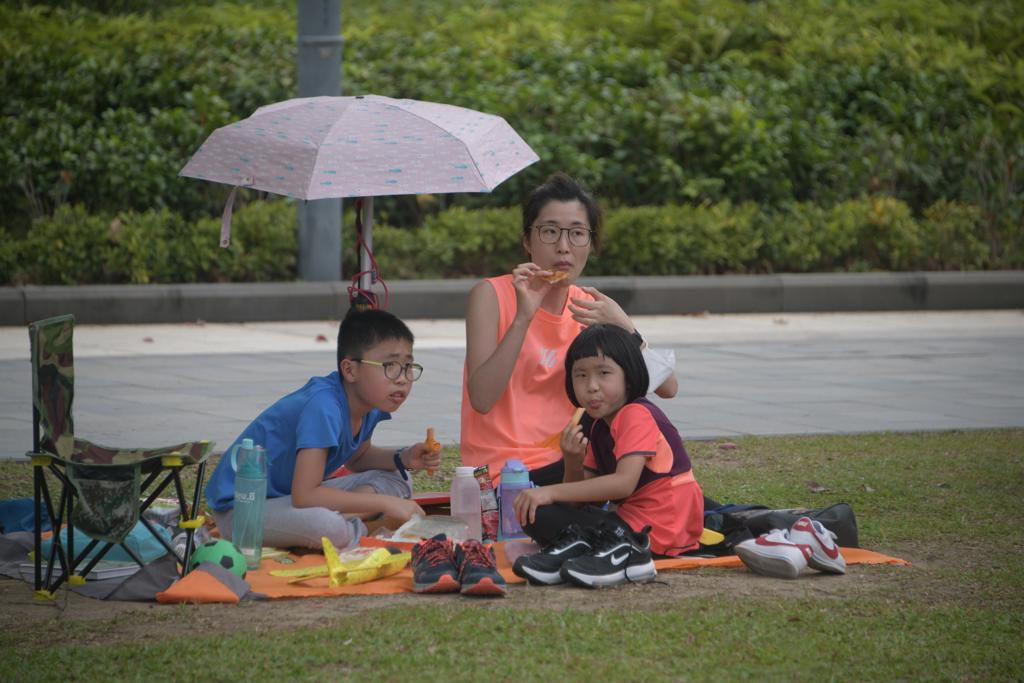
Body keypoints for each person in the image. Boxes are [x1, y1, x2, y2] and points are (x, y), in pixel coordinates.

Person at [461, 172, 678, 485]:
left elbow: (668, 389)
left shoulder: (589, 306)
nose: (564, 247)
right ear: (527, 240)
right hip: (505, 471)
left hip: (576, 461)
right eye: (550, 232)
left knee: (660, 470)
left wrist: (626, 327)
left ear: (590, 243)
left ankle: (739, 518)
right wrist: (524, 317)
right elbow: (481, 399)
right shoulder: (491, 295)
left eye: (577, 234)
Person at [204, 308, 441, 551]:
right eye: (390, 365)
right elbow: (305, 496)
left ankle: (344, 521)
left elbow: (357, 458)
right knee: (328, 527)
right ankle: (353, 528)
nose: (402, 378)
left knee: (400, 476)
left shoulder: (368, 403)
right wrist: (386, 503)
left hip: (290, 500)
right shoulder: (323, 406)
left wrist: (404, 457)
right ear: (350, 370)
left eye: (408, 366)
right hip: (243, 509)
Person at [511, 324, 704, 586]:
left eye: (603, 373)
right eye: (580, 375)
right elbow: (577, 500)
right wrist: (572, 460)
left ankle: (620, 552)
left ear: (629, 376)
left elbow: (623, 483)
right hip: (626, 522)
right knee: (537, 513)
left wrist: (550, 491)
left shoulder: (635, 413)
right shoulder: (599, 424)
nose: (591, 386)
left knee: (544, 505)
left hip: (659, 527)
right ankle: (585, 546)